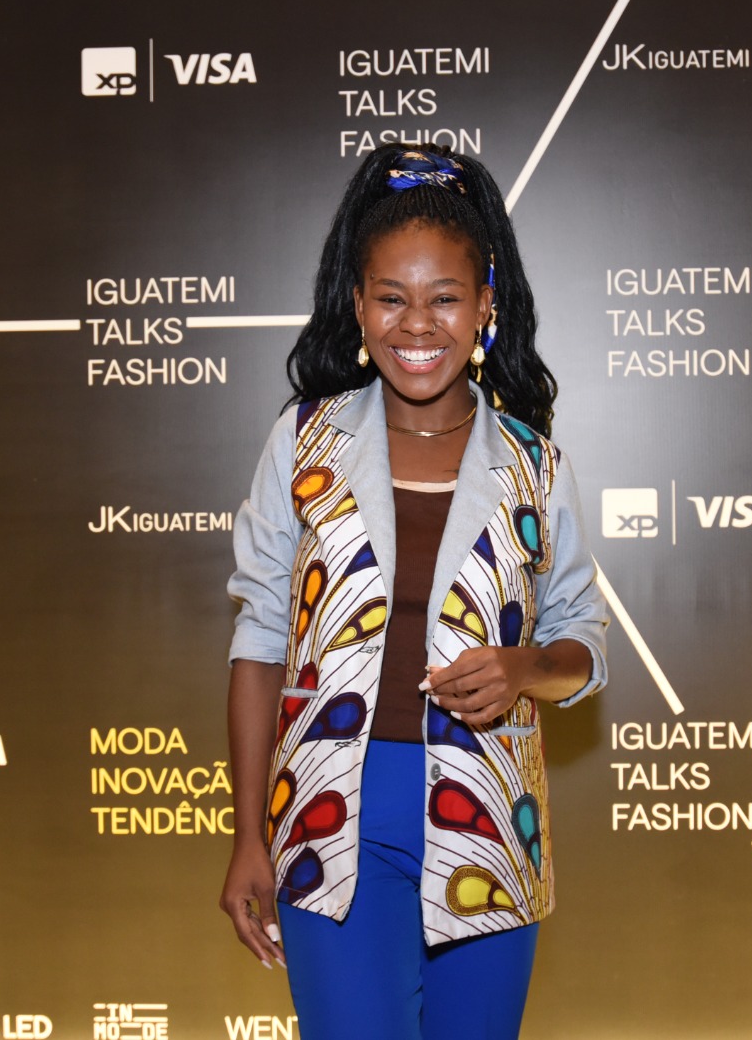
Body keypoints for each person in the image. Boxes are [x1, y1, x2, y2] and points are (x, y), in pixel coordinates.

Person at [220, 144, 608, 1040]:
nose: (418, 324)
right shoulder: (303, 442)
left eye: (445, 298)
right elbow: (261, 640)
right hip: (326, 826)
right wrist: (248, 836)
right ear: (357, 304)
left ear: (486, 305)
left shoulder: (535, 464)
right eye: (392, 297)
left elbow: (582, 642)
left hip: (489, 827)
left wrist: (523, 667)